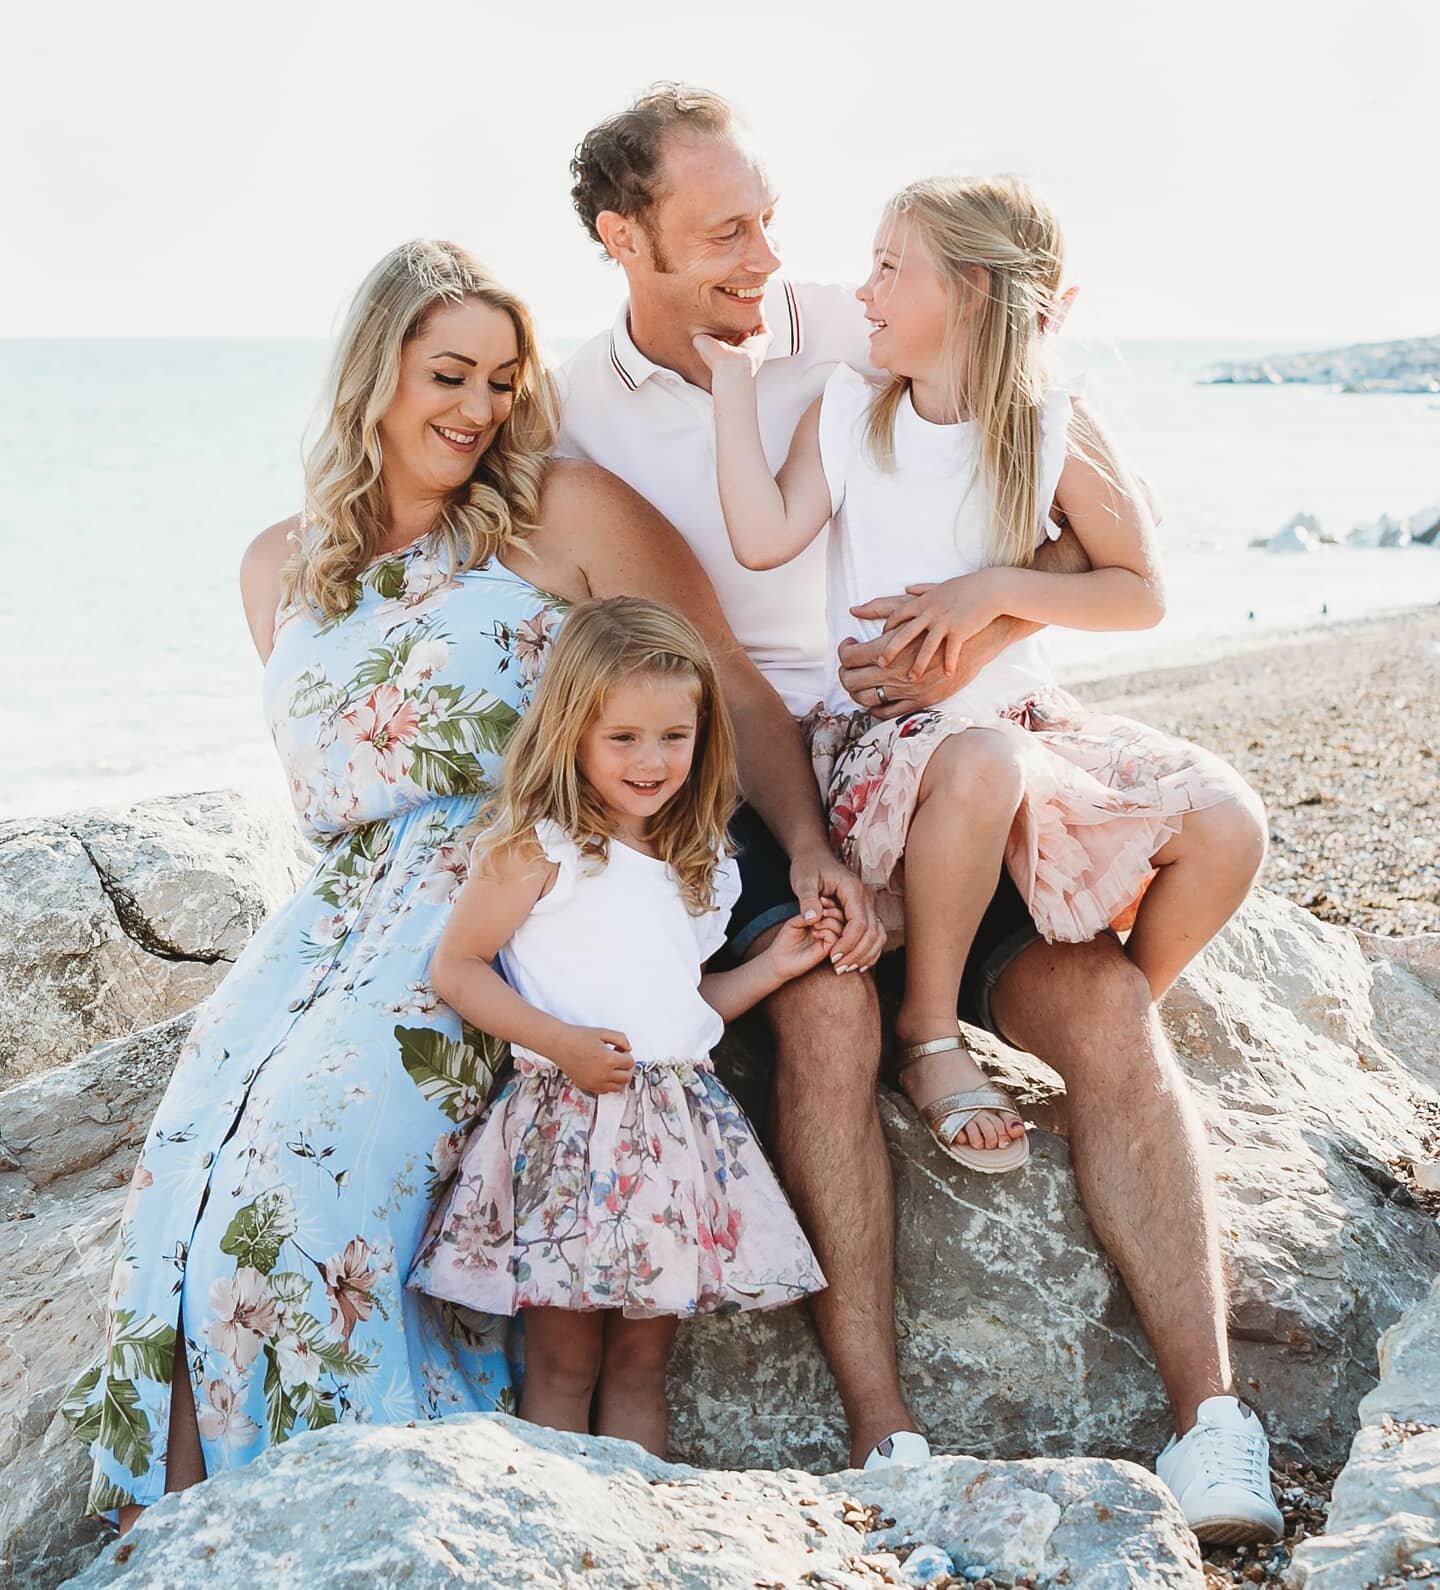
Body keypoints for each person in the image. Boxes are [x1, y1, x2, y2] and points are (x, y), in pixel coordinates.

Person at [558, 85, 1285, 1543]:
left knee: (1099, 1006)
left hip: (957, 744)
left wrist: (985, 623)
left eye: (772, 221)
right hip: (743, 769)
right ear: (620, 236)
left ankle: (1214, 1419)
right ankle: (888, 1434)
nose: (771, 260)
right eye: (725, 233)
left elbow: (1059, 505)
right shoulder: (575, 402)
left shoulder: (857, 325)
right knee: (825, 1010)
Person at [62, 238, 876, 1530]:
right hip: (324, 922)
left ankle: (370, 1505)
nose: (479, 407)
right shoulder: (280, 563)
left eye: (504, 380)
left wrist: (814, 847)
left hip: (500, 907)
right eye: (450, 373)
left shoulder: (566, 507)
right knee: (181, 1190)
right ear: (373, 373)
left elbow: (715, 675)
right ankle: (190, 1526)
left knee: (300, 1178)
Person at [696, 173, 1260, 1182]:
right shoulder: (853, 410)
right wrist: (733, 391)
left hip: (1028, 725)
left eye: (887, 268)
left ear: (973, 295)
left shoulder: (1054, 426)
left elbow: (1140, 591)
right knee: (984, 757)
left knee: (1230, 823)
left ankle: (1113, 1015)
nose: (863, 290)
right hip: (885, 749)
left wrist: (990, 591)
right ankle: (926, 1036)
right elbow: (762, 532)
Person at [407, 596, 830, 1456]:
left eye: (674, 736)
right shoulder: (539, 848)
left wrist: (773, 968)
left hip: (672, 1141)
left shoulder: (699, 865)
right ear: (573, 732)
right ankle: (557, 1520)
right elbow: (455, 967)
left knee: (643, 1363)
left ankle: (645, 1525)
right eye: (624, 738)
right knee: (564, 1360)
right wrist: (559, 1042)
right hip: (571, 1127)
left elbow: (685, 1012)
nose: (653, 760)